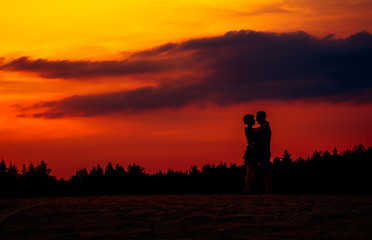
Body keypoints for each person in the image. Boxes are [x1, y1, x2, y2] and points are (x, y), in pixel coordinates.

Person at [242, 114, 268, 194]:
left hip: (254, 151)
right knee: (249, 170)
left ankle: (247, 187)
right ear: (249, 121)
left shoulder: (250, 129)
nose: (255, 120)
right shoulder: (248, 129)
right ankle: (247, 189)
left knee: (255, 172)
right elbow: (257, 130)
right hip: (251, 152)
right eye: (253, 119)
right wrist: (265, 124)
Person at [255, 111, 272, 193]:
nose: (256, 119)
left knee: (265, 171)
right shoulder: (264, 127)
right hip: (263, 151)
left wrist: (255, 142)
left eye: (257, 117)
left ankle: (268, 190)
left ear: (262, 117)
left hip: (264, 151)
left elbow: (265, 140)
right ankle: (267, 189)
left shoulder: (265, 129)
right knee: (264, 170)